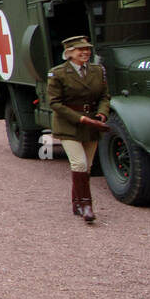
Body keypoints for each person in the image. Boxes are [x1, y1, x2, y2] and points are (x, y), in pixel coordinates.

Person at [46, 36, 110, 224]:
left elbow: (105, 96)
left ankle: (76, 201)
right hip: (69, 124)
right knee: (79, 164)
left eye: (88, 49)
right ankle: (86, 206)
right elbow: (55, 103)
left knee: (87, 167)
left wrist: (101, 115)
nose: (85, 52)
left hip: (92, 124)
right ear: (69, 53)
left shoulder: (98, 71)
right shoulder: (57, 73)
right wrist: (81, 119)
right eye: (80, 50)